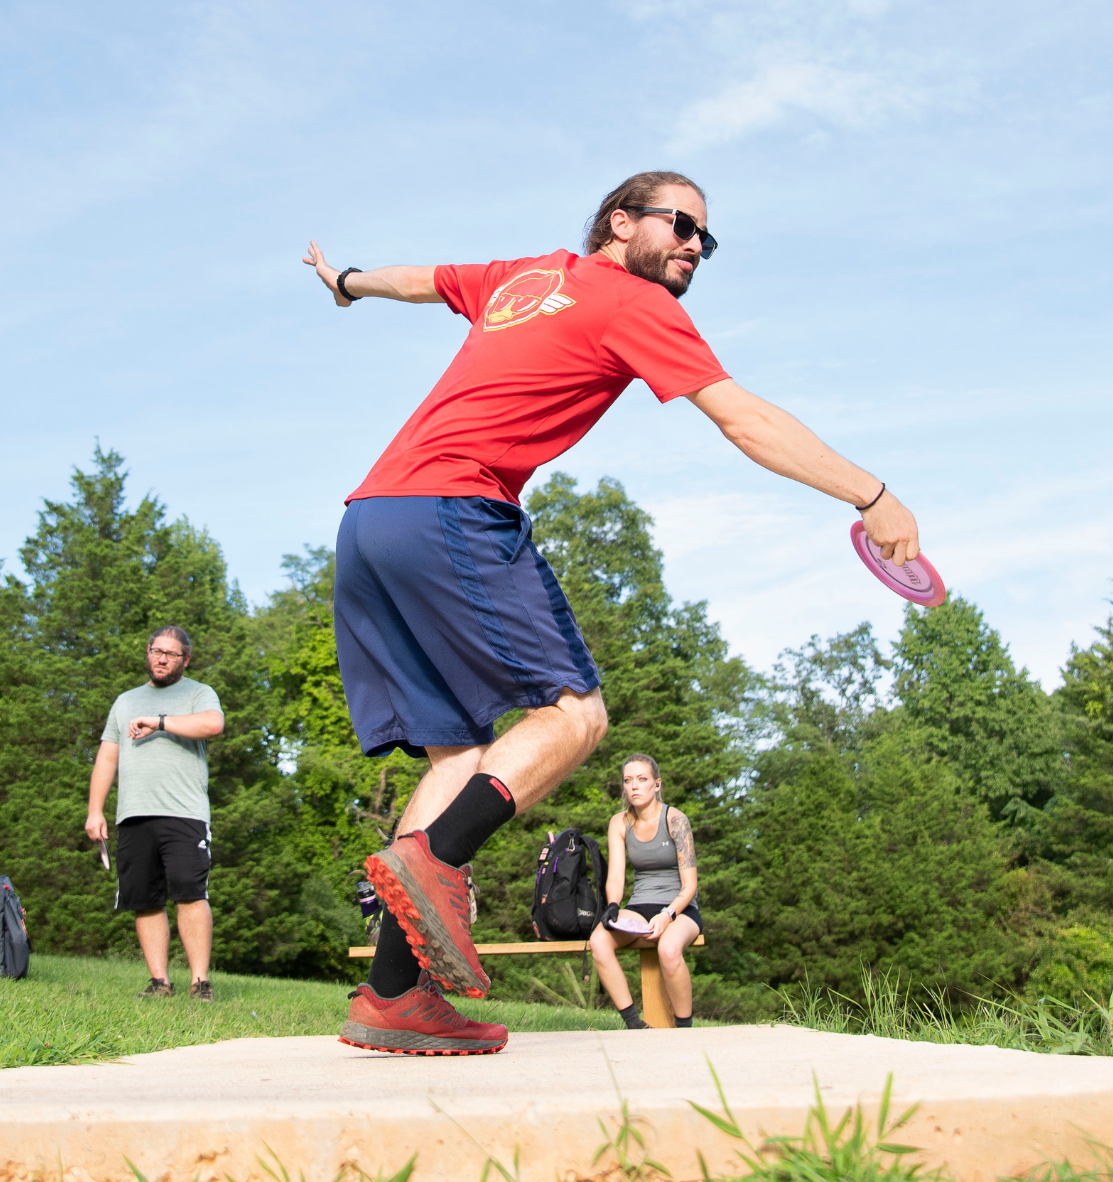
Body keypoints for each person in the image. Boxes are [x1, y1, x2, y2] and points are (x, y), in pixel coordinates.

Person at [305, 169, 922, 1057]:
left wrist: (346, 282)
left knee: (457, 753)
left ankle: (393, 994)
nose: (694, 248)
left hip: (370, 522)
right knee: (575, 713)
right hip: (452, 509)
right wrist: (870, 494)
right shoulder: (634, 302)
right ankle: (436, 860)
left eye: (707, 239)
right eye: (681, 226)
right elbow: (741, 419)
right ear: (620, 221)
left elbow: (415, 279)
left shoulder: (520, 279)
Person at [85, 626, 224, 1001]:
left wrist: (160, 722)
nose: (162, 658)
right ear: (147, 652)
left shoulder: (198, 693)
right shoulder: (125, 701)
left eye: (171, 654)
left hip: (184, 812)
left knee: (191, 893)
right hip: (133, 814)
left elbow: (213, 724)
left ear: (185, 659)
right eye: (156, 651)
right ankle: (159, 981)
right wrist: (95, 810)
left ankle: (200, 982)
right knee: (143, 900)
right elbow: (107, 757)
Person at [591, 754, 701, 1029]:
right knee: (599, 941)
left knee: (668, 948)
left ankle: (684, 1029)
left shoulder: (676, 820)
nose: (634, 787)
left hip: (680, 909)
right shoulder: (620, 823)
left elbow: (690, 885)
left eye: (642, 779)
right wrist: (613, 906)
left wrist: (667, 915)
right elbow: (616, 875)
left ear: (657, 784)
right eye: (628, 781)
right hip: (640, 907)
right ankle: (634, 1024)